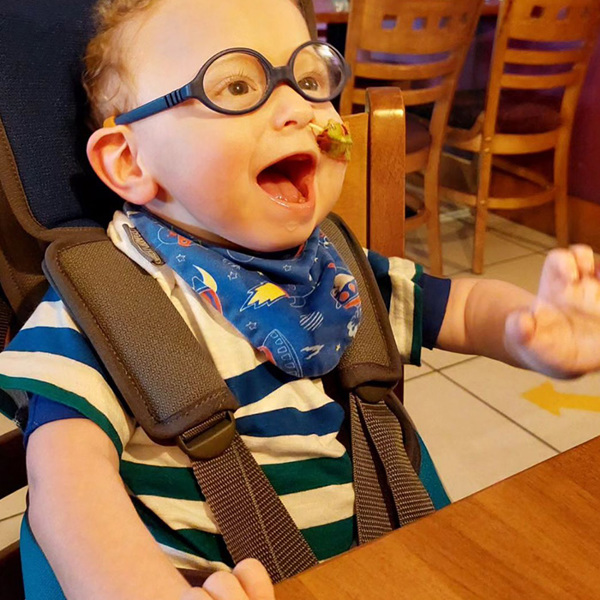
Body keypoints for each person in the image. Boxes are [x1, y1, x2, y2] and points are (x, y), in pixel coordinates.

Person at [1, 0, 600, 598]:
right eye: (235, 85)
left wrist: (527, 327)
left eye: (311, 80)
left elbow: (461, 309)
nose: (300, 109)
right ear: (130, 160)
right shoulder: (107, 309)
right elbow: (66, 488)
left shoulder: (337, 268)